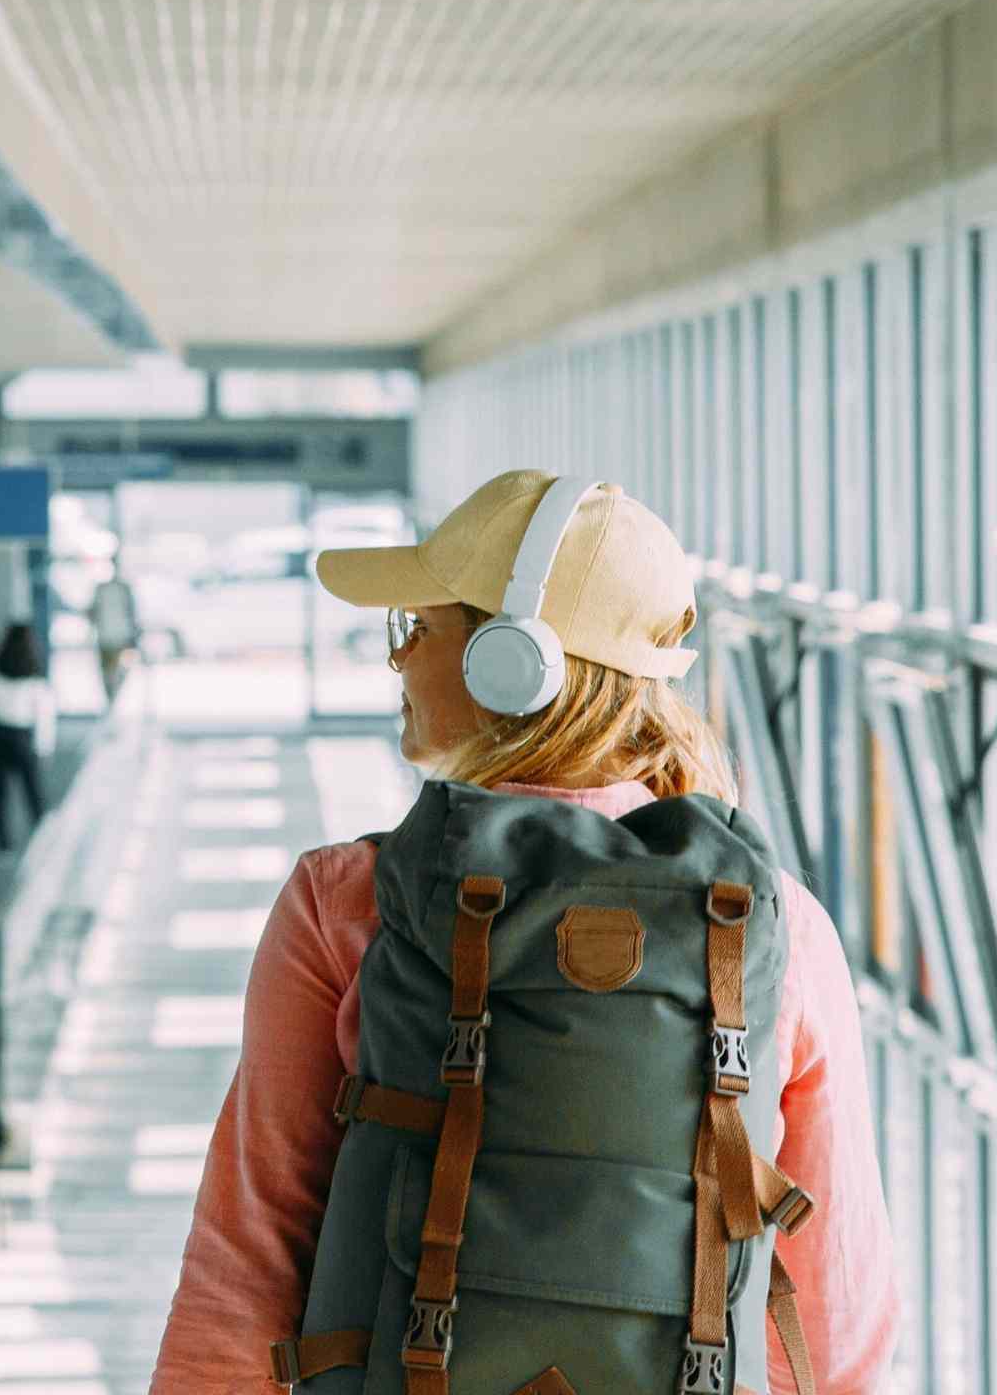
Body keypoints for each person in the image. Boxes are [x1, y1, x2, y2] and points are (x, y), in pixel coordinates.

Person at [150, 472, 895, 1394]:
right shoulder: (767, 923)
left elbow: (246, 1264)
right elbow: (840, 1315)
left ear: (508, 661)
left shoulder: (347, 901)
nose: (396, 662)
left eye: (415, 629)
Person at [0, 621, 55, 851]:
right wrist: (45, 748)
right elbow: (43, 715)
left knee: (0, 793)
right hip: (22, 736)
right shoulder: (32, 672)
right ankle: (43, 836)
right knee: (32, 790)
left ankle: (3, 845)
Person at [89, 570, 141, 704]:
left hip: (117, 637)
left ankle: (112, 699)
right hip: (110, 638)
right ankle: (111, 699)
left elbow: (92, 613)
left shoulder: (121, 589)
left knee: (115, 672)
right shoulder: (104, 589)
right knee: (111, 673)